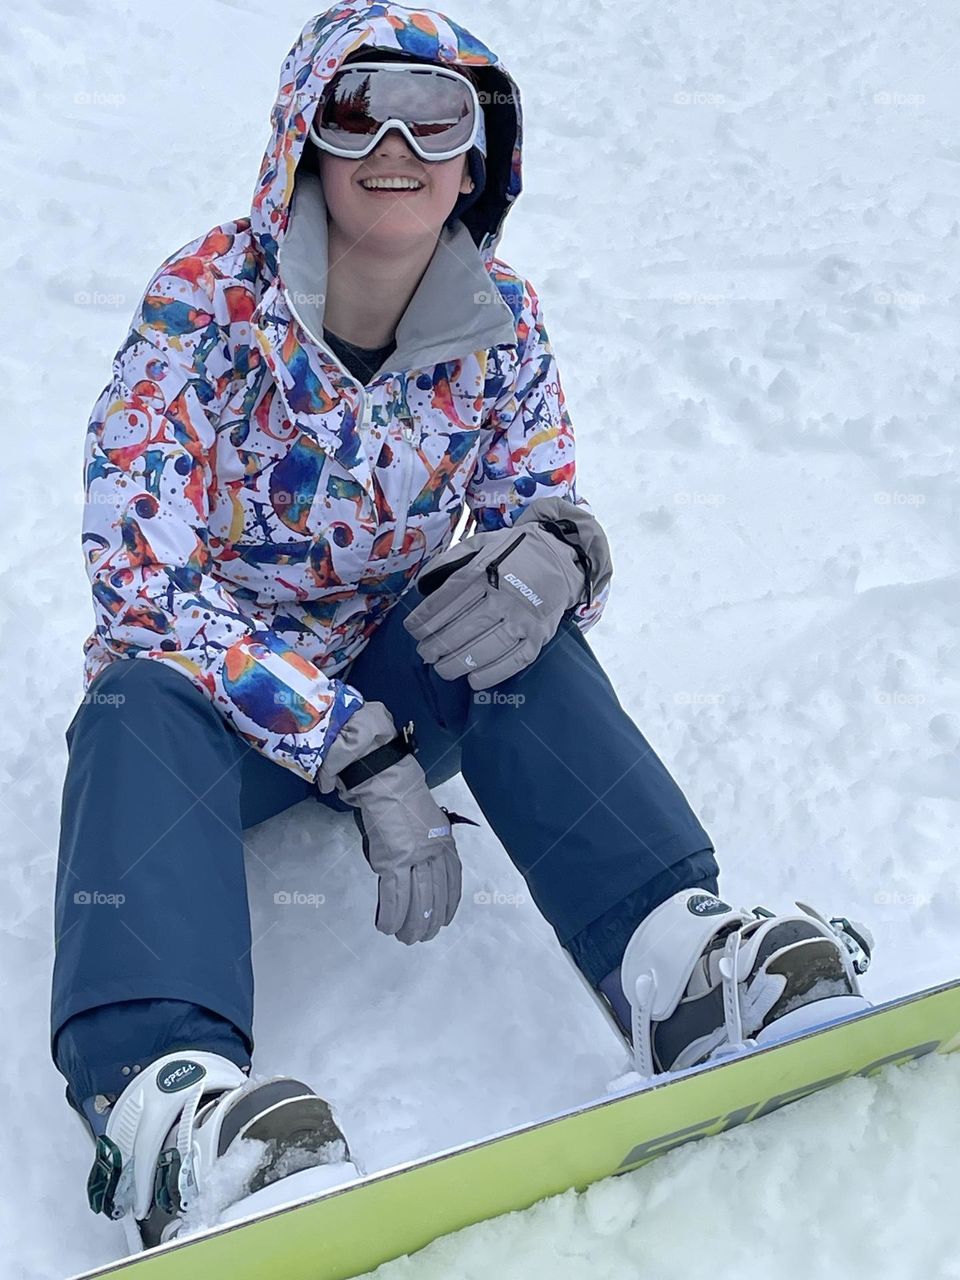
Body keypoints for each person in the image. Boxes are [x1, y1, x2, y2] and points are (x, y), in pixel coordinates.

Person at [51, 2, 873, 1251]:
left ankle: (675, 961)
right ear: (303, 138)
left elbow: (526, 512)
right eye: (359, 109)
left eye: (436, 117)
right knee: (128, 698)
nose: (397, 144)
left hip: (390, 683)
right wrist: (344, 742)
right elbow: (140, 578)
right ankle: (170, 1108)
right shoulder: (203, 303)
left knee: (496, 605)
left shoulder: (503, 324)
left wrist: (561, 548)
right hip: (216, 716)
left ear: (479, 151)